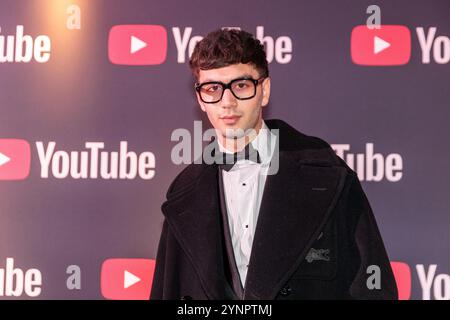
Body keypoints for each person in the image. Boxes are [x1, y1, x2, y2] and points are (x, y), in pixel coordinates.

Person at [150, 28, 398, 300]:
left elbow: (374, 289)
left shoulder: (328, 175)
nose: (227, 102)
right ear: (200, 99)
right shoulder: (183, 195)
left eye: (241, 86)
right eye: (213, 89)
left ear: (264, 90)